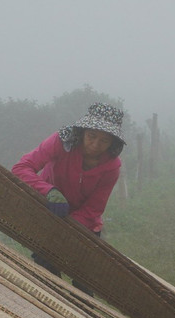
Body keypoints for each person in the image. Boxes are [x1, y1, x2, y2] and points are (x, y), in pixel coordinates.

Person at [12, 102, 126, 238]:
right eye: (92, 136)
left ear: (112, 143)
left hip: (83, 228)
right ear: (83, 132)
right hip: (48, 212)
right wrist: (49, 191)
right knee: (41, 258)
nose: (96, 145)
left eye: (104, 141)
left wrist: (66, 228)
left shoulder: (112, 167)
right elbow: (21, 168)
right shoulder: (62, 142)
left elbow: (93, 208)